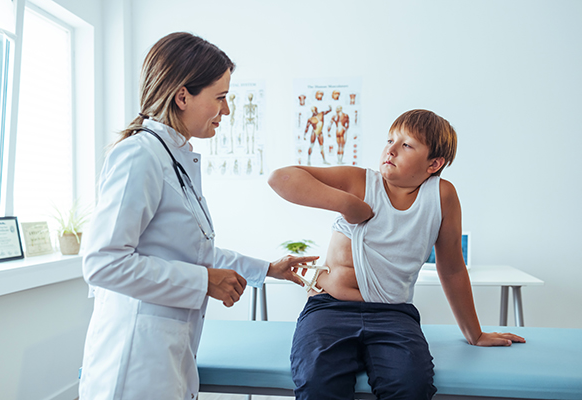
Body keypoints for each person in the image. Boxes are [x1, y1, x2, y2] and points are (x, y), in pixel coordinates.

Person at [79, 32, 316, 400]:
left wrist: (269, 269)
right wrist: (203, 281)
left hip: (166, 352)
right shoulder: (140, 156)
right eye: (220, 97)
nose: (226, 110)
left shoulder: (172, 157)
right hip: (134, 360)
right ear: (182, 96)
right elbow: (102, 263)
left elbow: (191, 253)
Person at [268, 109, 525, 400]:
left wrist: (475, 334)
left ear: (434, 163)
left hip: (392, 314)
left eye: (406, 145)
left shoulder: (442, 197)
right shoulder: (360, 182)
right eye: (390, 140)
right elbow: (281, 178)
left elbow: (452, 268)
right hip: (330, 309)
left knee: (412, 386)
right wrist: (349, 204)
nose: (390, 149)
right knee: (317, 383)